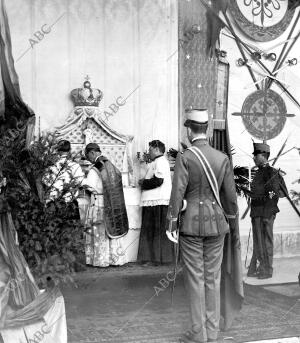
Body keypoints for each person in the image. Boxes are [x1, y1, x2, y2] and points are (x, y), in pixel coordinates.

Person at [166, 109, 238, 343]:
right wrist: (232, 222)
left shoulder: (186, 158)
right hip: (218, 225)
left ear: (189, 130)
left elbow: (177, 192)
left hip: (191, 225)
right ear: (205, 129)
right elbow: (230, 197)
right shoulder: (222, 157)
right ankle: (213, 331)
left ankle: (198, 334)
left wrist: (172, 222)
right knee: (212, 278)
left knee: (195, 279)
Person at [82, 143, 129, 267]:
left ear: (92, 153)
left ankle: (101, 260)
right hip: (112, 202)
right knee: (111, 229)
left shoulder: (95, 168)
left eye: (88, 156)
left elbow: (90, 186)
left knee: (100, 231)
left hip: (99, 202)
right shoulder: (111, 165)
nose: (89, 160)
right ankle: (115, 259)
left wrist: (81, 181)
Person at [247, 142, 287, 279]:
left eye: (256, 155)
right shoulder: (258, 172)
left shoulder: (272, 173)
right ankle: (260, 267)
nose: (253, 158)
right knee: (258, 241)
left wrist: (266, 215)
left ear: (263, 156)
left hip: (265, 213)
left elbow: (274, 195)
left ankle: (267, 270)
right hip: (257, 212)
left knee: (266, 241)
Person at [137, 140, 173, 265]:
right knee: (153, 231)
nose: (149, 152)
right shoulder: (156, 162)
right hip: (153, 201)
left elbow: (158, 181)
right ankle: (154, 258)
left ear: (157, 149)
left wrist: (143, 183)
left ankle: (156, 259)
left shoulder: (161, 162)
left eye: (151, 149)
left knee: (155, 231)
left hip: (158, 201)